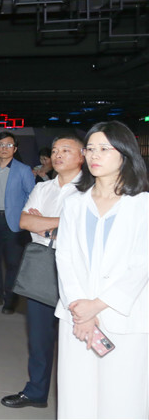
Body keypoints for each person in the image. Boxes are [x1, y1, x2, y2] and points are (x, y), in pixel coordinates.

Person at [55, 121, 148, 419]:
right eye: (91, 149)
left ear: (125, 154)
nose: (95, 155)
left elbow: (141, 265)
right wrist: (80, 308)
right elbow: (64, 258)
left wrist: (97, 305)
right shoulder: (75, 203)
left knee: (123, 398)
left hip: (123, 315)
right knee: (76, 395)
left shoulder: (142, 205)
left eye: (104, 149)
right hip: (77, 317)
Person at [1, 133, 85, 409]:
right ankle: (36, 392)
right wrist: (59, 224)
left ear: (82, 156)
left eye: (66, 150)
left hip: (77, 268)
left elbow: (82, 227)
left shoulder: (89, 190)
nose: (58, 155)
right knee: (39, 336)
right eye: (56, 150)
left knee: (76, 336)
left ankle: (78, 398)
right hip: (42, 264)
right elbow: (25, 221)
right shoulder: (43, 187)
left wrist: (47, 223)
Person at [0, 131, 35, 313]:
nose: (5, 148)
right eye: (1, 145)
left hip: (14, 222)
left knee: (13, 262)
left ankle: (10, 300)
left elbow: (32, 195)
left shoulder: (23, 170)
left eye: (9, 145)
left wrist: (24, 216)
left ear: (15, 149)